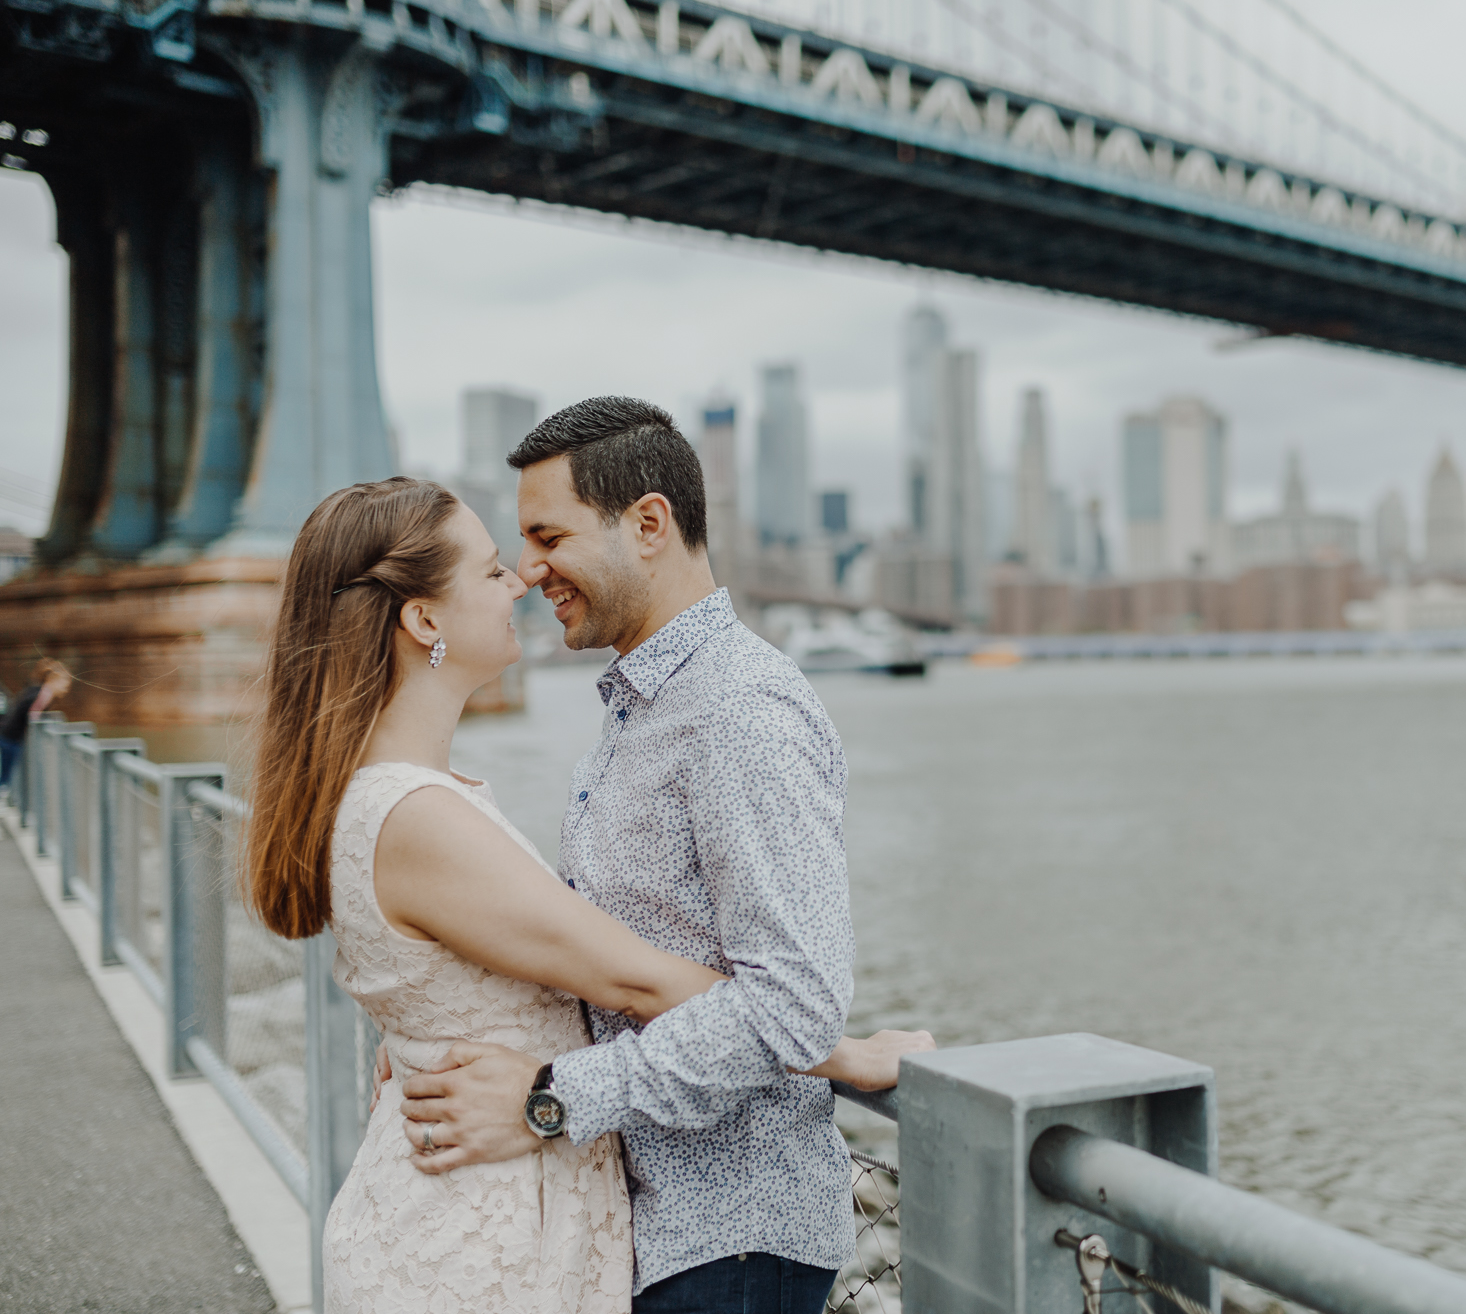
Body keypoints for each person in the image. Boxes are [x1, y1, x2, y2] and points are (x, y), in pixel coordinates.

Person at [242, 475, 927, 1314]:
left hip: (494, 1203)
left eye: (532, 549)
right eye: (494, 570)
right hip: (487, 1229)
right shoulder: (418, 814)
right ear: (423, 621)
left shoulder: (406, 794)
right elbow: (632, 977)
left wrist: (442, 1033)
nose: (522, 579)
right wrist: (842, 1051)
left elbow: (518, 963)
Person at [1, 658, 71, 790]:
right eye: (64, 683)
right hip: (11, 737)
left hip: (9, 735)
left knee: (7, 769)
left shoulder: (38, 691)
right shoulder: (44, 695)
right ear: (53, 680)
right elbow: (34, 716)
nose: (66, 688)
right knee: (6, 771)